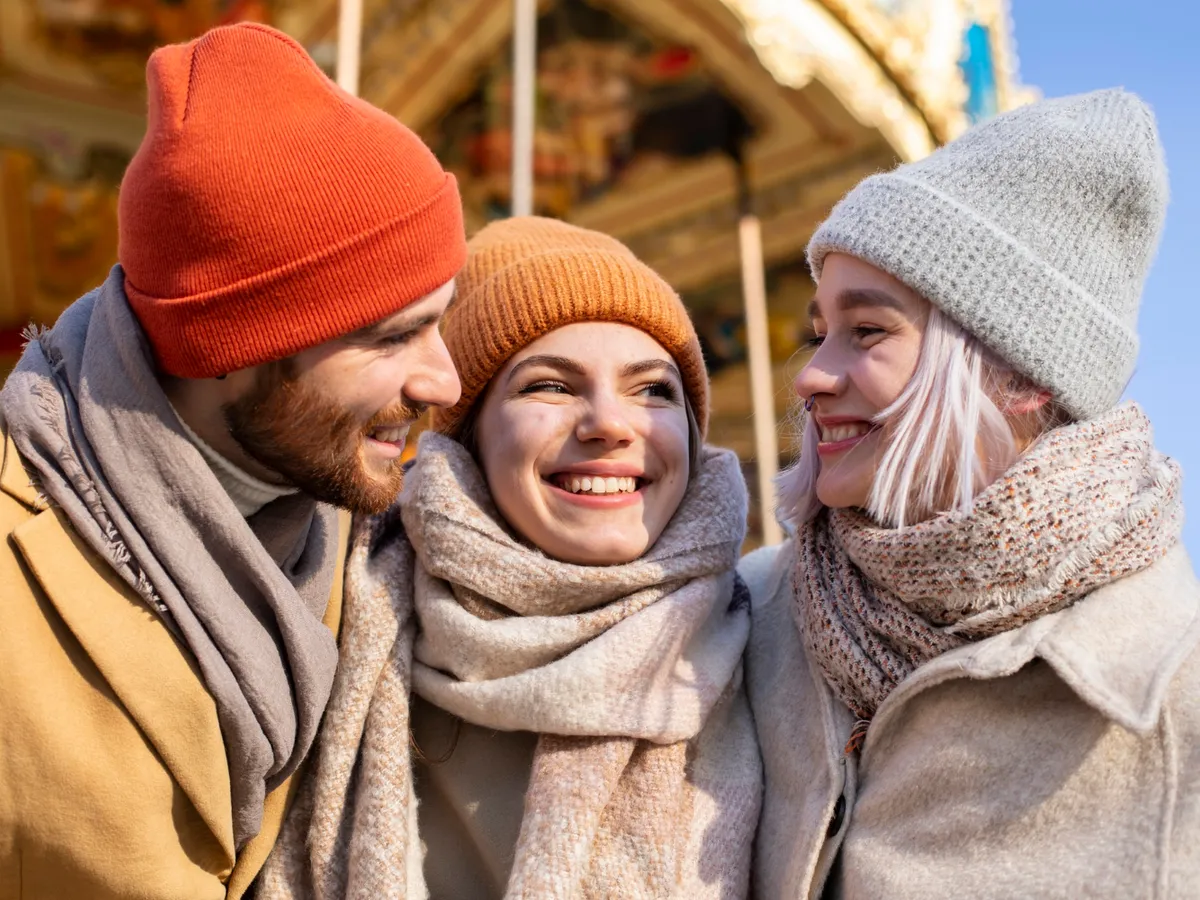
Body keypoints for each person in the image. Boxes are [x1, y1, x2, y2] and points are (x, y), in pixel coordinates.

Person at [0, 23, 465, 900]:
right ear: (234, 343)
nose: (443, 378)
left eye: (441, 319)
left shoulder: (363, 537)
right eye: (394, 335)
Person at [741, 88, 1200, 898]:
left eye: (869, 331)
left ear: (1018, 376)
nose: (811, 375)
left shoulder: (1175, 690)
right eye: (820, 332)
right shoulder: (748, 621)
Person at [260, 217, 763, 899]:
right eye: (551, 386)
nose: (612, 424)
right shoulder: (331, 609)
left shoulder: (778, 637)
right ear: (466, 439)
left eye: (653, 389)